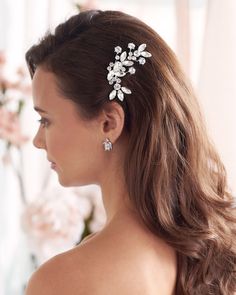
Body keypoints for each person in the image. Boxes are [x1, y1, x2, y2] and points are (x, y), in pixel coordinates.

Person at [24, 9, 236, 295]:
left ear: (109, 123)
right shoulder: (216, 249)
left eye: (45, 120)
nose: (38, 140)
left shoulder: (61, 281)